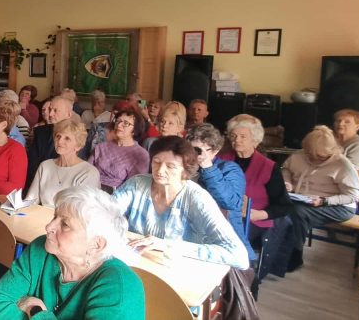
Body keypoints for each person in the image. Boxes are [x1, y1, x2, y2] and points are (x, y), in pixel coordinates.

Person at [0, 186, 145, 320]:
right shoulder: (41, 249)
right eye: (55, 217)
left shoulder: (120, 285)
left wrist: (35, 311)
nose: (49, 227)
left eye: (65, 224)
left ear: (96, 244)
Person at [113, 136, 250, 269]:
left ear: (185, 170)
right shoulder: (137, 184)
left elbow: (239, 256)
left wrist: (167, 245)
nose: (160, 170)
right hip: (139, 263)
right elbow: (106, 212)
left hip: (178, 270)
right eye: (156, 162)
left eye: (170, 166)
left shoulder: (196, 198)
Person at [219, 114, 294, 278]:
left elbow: (284, 205)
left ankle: (237, 279)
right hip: (222, 215)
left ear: (255, 140)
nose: (237, 140)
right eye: (233, 136)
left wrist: (259, 214)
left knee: (226, 236)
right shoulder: (222, 159)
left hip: (253, 220)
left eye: (243, 136)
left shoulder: (268, 167)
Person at [281, 126, 359, 270]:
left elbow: (353, 195)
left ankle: (294, 257)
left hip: (338, 205)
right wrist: (287, 182)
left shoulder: (342, 165)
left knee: (297, 213)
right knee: (279, 205)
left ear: (332, 151)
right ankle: (273, 250)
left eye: (320, 157)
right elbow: (286, 169)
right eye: (310, 155)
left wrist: (325, 201)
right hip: (303, 199)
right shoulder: (299, 155)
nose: (314, 159)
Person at [186, 123, 255, 261]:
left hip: (223, 238)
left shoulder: (229, 169)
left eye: (198, 150)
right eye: (190, 149)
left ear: (215, 150)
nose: (193, 154)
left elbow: (232, 203)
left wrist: (208, 168)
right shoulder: (183, 166)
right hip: (190, 233)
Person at [27, 119, 101, 207]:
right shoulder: (45, 166)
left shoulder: (88, 172)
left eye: (67, 138)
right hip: (41, 217)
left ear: (78, 146)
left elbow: (83, 211)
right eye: (58, 136)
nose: (60, 141)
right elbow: (30, 200)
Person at [26, 96, 81, 192]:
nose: (50, 114)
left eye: (55, 111)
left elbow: (74, 168)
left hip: (63, 187)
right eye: (50, 109)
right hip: (36, 184)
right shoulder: (40, 132)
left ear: (68, 114)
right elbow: (32, 164)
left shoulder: (76, 137)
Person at [89, 108, 149, 191]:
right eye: (118, 121)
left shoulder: (140, 154)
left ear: (135, 130)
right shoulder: (101, 147)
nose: (119, 125)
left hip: (118, 195)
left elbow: (133, 186)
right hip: (91, 189)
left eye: (126, 123)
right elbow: (87, 170)